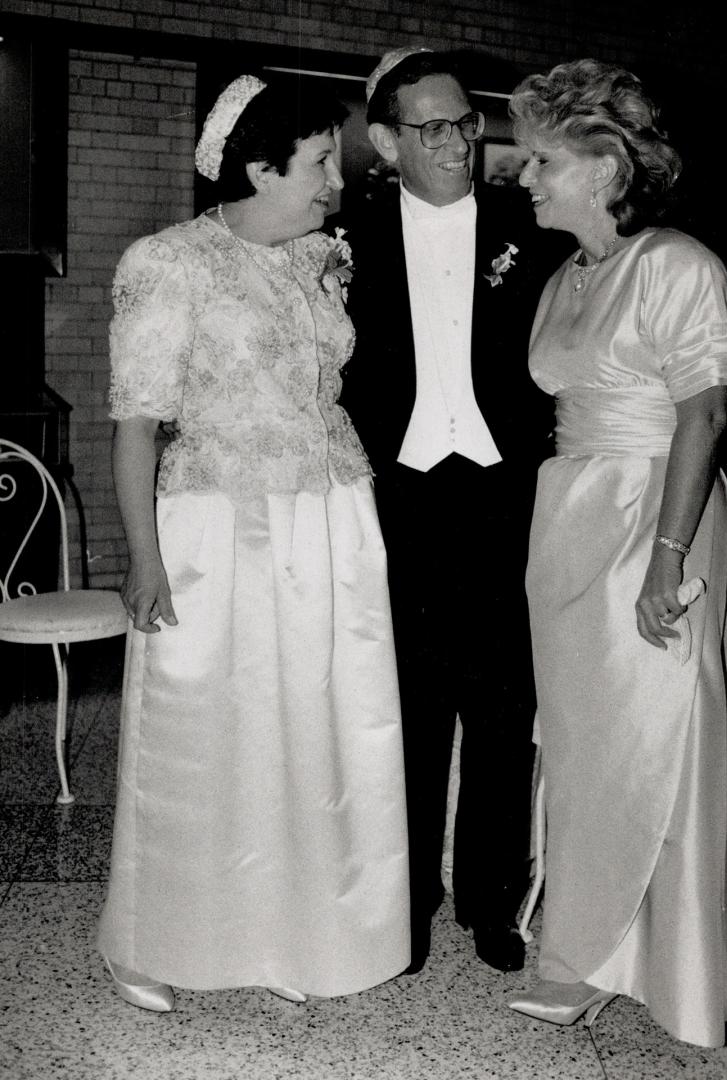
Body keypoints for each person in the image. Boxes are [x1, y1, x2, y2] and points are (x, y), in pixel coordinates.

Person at [506, 58, 727, 1046]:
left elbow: (700, 414)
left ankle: (658, 965)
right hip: (568, 527)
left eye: (541, 160)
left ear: (605, 168)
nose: (523, 177)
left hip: (658, 518)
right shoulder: (567, 275)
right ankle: (591, 949)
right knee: (585, 748)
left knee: (659, 741)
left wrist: (665, 555)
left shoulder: (675, 263)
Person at [97, 74, 410, 1012]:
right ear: (260, 164)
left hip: (329, 514)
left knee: (318, 729)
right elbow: (135, 425)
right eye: (320, 161)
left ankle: (300, 937)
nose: (336, 179)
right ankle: (151, 940)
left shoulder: (324, 258)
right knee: (201, 733)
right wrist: (144, 561)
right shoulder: (167, 261)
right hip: (217, 520)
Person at [338, 47, 566, 975]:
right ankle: (408, 902)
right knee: (412, 707)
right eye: (429, 127)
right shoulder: (343, 240)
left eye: (464, 122)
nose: (455, 143)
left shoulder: (530, 227)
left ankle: (489, 902)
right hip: (397, 494)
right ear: (387, 140)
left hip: (505, 492)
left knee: (505, 706)